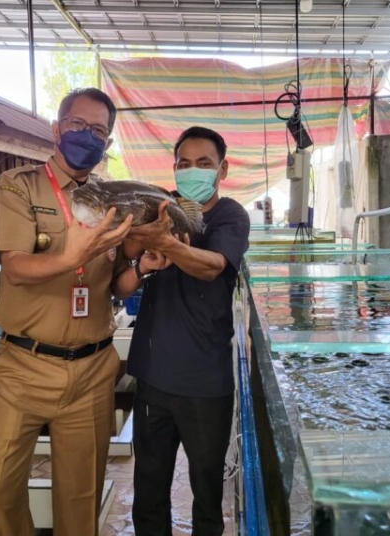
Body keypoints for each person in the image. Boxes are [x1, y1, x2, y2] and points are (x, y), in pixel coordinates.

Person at [0, 88, 135, 536]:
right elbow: (17, 268)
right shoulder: (18, 185)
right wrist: (68, 255)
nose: (87, 136)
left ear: (108, 143)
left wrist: (144, 265)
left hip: (93, 369)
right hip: (23, 366)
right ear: (57, 128)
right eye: (77, 125)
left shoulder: (113, 201)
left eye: (98, 130)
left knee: (80, 502)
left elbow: (117, 282)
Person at [114, 126, 250, 536]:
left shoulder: (230, 215)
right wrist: (140, 253)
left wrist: (167, 243)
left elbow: (212, 265)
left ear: (222, 169)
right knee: (149, 488)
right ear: (174, 168)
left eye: (204, 163)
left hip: (206, 383)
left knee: (206, 493)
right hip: (154, 376)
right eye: (184, 163)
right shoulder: (158, 207)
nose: (193, 170)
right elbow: (121, 276)